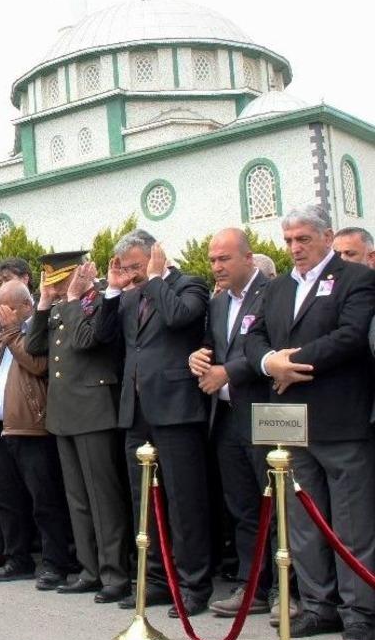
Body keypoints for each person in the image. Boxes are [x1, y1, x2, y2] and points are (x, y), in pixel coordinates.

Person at [245, 205, 375, 640]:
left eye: (303, 239)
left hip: (339, 419)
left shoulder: (356, 279)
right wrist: (268, 361)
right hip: (289, 419)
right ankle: (319, 605)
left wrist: (290, 361)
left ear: (326, 236)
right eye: (288, 241)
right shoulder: (278, 287)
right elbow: (252, 336)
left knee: (351, 522)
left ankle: (360, 611)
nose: (295, 248)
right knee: (302, 520)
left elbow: (351, 335)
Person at [94, 229, 213, 617]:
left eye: (134, 266)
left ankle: (194, 583)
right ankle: (157, 579)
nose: (128, 274)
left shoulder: (188, 284)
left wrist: (159, 278)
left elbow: (181, 318)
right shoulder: (128, 296)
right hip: (137, 410)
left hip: (176, 407)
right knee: (144, 499)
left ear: (154, 255)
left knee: (184, 499)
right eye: (123, 268)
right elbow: (103, 336)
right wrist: (112, 291)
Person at [26, 251, 132, 604]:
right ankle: (90, 570)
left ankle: (114, 573)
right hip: (64, 413)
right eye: (49, 284)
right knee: (78, 499)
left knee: (103, 498)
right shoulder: (58, 308)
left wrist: (73, 299)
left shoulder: (97, 302)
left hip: (93, 411)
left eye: (56, 282)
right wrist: (42, 304)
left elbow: (87, 341)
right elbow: (34, 346)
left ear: (74, 277)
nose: (52, 289)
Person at [188, 229, 272, 617]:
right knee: (242, 508)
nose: (216, 267)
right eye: (212, 260)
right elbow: (210, 346)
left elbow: (270, 352)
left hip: (263, 415)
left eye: (223, 259)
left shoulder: (273, 292)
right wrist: (198, 360)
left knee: (275, 505)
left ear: (248, 258)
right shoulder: (218, 304)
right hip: (225, 420)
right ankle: (250, 585)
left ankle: (284, 589)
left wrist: (229, 373)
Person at [0, 279, 76, 589]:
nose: (2, 314)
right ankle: (18, 559)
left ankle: (56, 562)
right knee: (9, 499)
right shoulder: (5, 333)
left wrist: (12, 332)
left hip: (33, 427)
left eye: (8, 308)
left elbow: (37, 364)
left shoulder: (36, 329)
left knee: (44, 500)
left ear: (26, 306)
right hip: (3, 429)